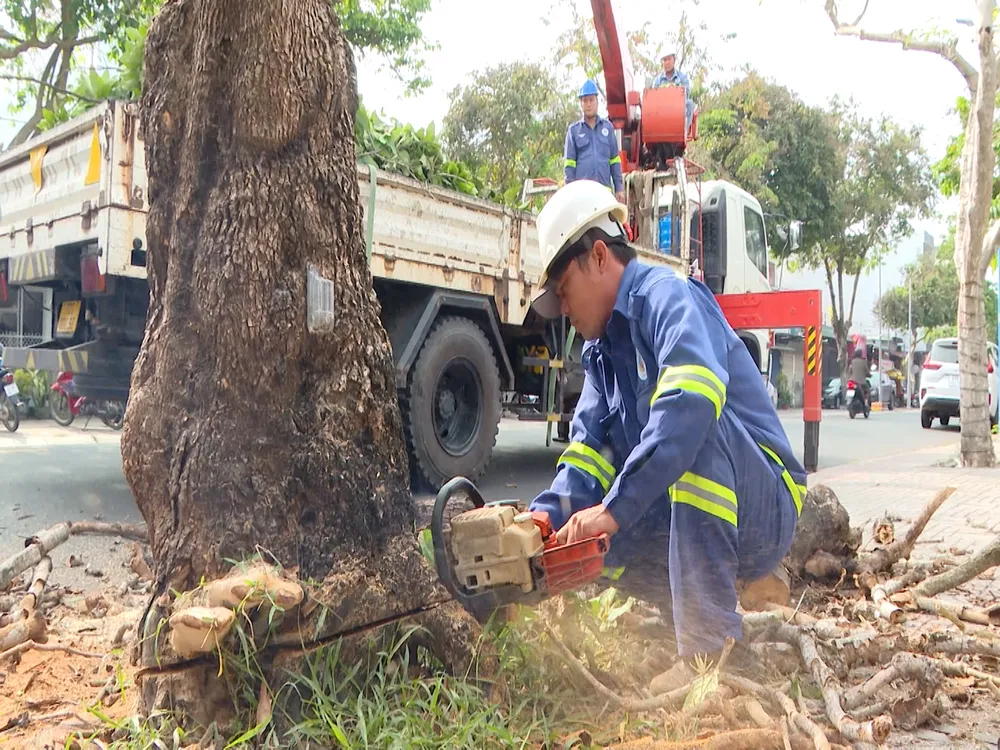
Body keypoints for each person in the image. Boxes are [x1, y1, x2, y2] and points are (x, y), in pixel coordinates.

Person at [528, 179, 805, 685]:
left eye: (564, 290)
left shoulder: (667, 297)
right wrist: (541, 521)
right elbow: (588, 451)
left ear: (598, 256)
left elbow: (691, 404)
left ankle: (707, 652)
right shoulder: (601, 354)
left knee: (690, 427)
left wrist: (614, 509)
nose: (563, 309)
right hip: (720, 503)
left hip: (766, 504)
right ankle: (688, 617)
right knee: (592, 540)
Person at [564, 80, 625, 203]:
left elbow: (614, 161)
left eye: (591, 100)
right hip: (582, 196)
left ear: (597, 101)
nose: (588, 104)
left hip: (604, 194)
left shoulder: (608, 128)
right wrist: (569, 193)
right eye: (585, 100)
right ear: (581, 104)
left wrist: (619, 188)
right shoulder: (574, 131)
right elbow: (569, 165)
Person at [652, 51, 694, 131]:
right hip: (662, 107)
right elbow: (654, 97)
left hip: (678, 106)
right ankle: (655, 131)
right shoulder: (657, 80)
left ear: (674, 60)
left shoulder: (682, 77)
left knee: (689, 103)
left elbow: (686, 94)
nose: (667, 62)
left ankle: (684, 131)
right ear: (662, 63)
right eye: (665, 60)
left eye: (669, 59)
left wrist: (674, 91)